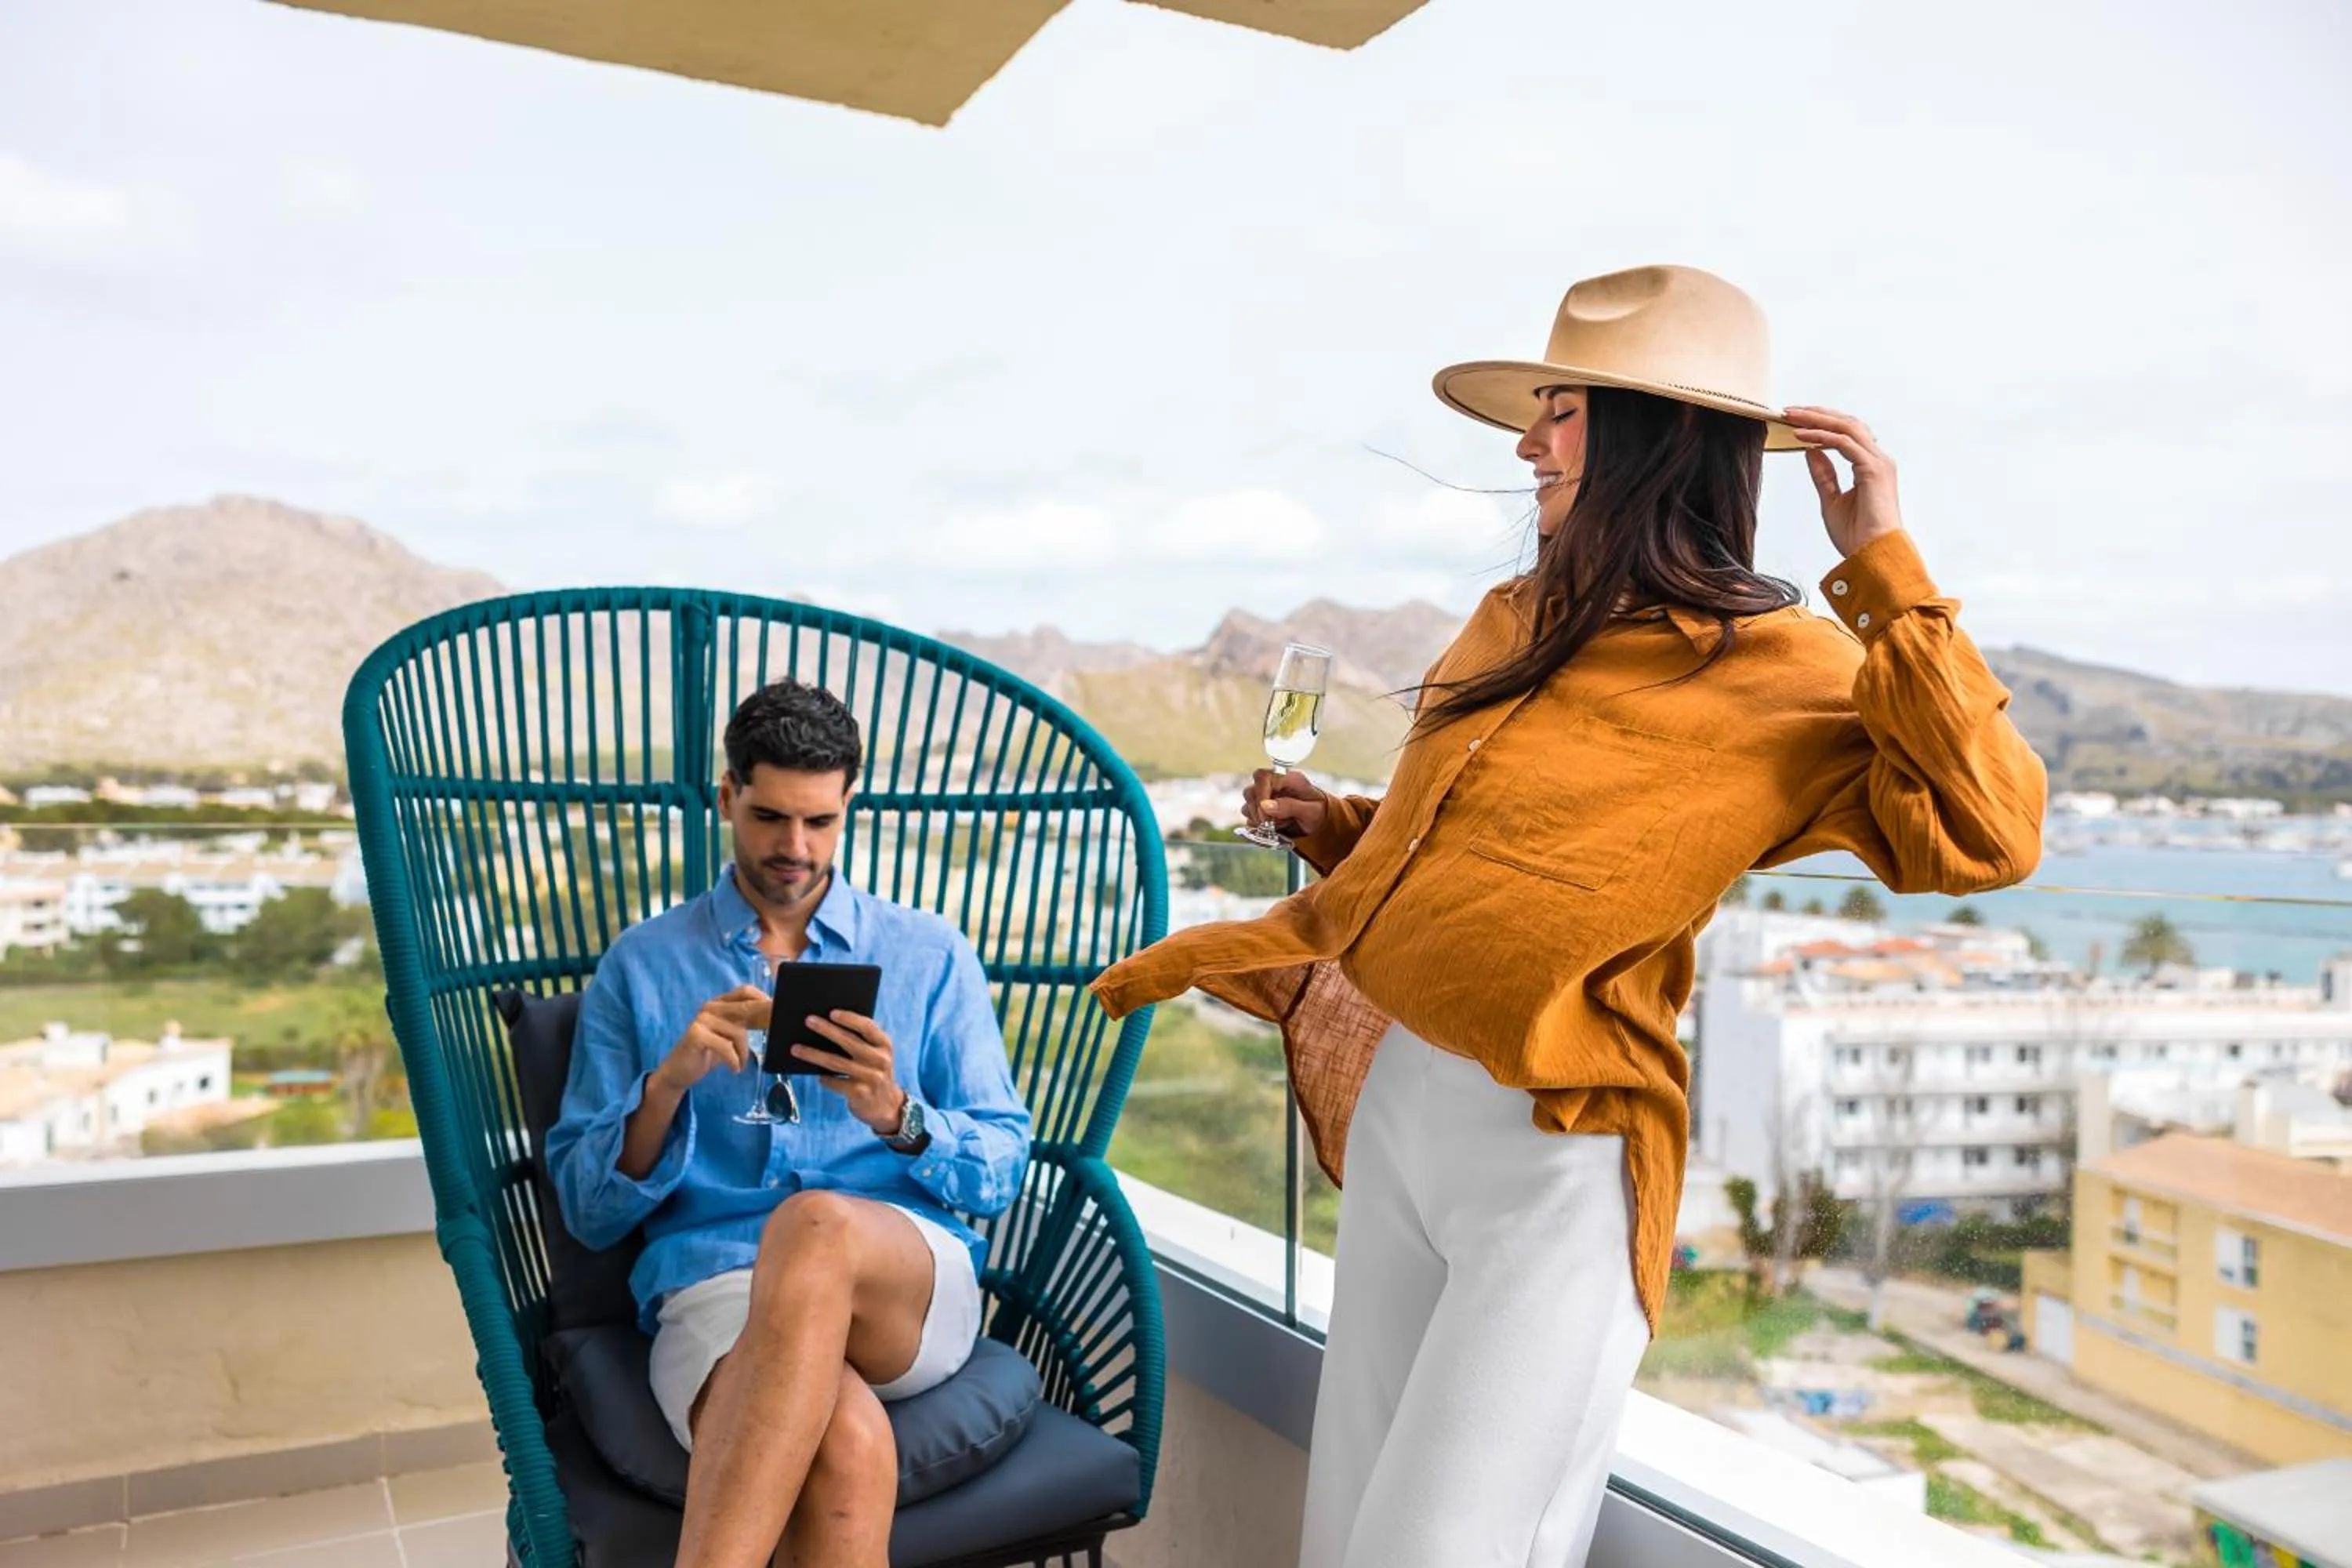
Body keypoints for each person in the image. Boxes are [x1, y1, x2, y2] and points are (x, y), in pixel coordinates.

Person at [1090, 264, 2045, 1567]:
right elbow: (1480, 862)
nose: (1529, 446)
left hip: (1557, 1152)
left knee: (1439, 1554)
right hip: (1405, 1109)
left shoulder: (1791, 673)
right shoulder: (1512, 620)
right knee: (1343, 1535)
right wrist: (1339, 830)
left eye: (1564, 413)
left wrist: (1881, 567)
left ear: (1657, 439)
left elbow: (1992, 830)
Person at [548, 679, 1033, 1568]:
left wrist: (896, 1113)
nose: (794, 847)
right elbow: (588, 1210)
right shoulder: (644, 963)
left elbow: (1001, 1171)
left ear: (851, 802)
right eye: (769, 816)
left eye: (820, 821)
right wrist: (667, 1085)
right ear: (727, 794)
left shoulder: (928, 952)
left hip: (901, 1285)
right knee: (845, 1444)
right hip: (717, 1289)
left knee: (812, 1223)